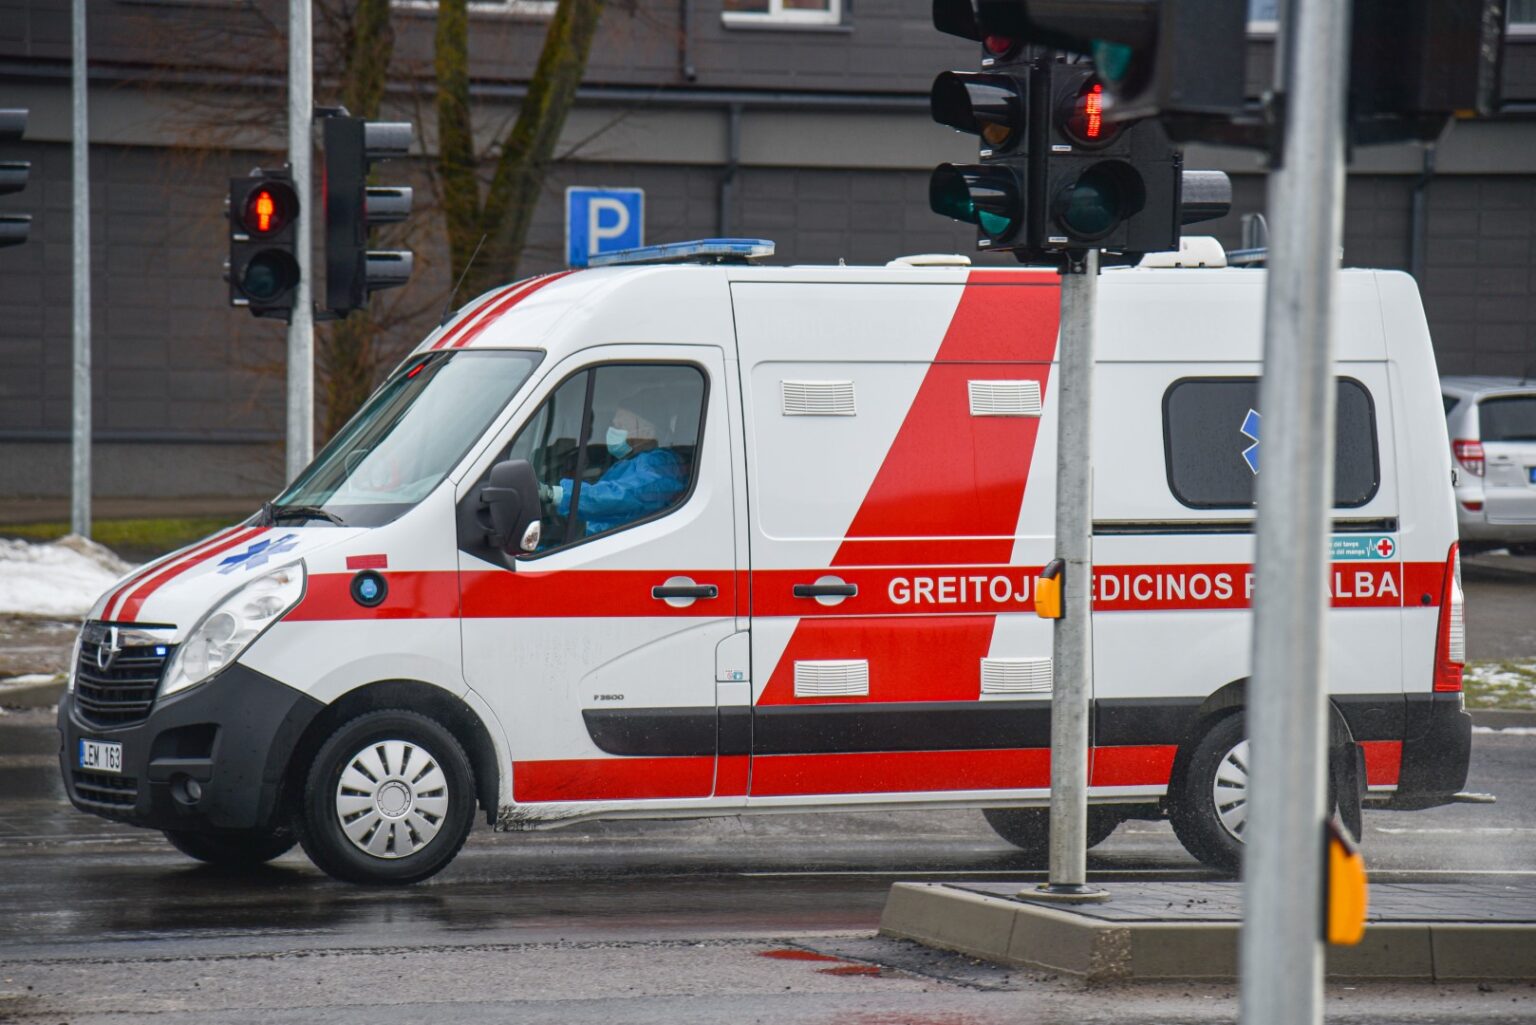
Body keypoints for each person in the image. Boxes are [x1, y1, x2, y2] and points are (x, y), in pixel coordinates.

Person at [537, 403, 687, 536]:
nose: (612, 432)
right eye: (613, 425)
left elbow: (624, 495)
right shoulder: (630, 462)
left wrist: (556, 494)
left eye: (620, 427)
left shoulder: (660, 463)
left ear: (647, 432)